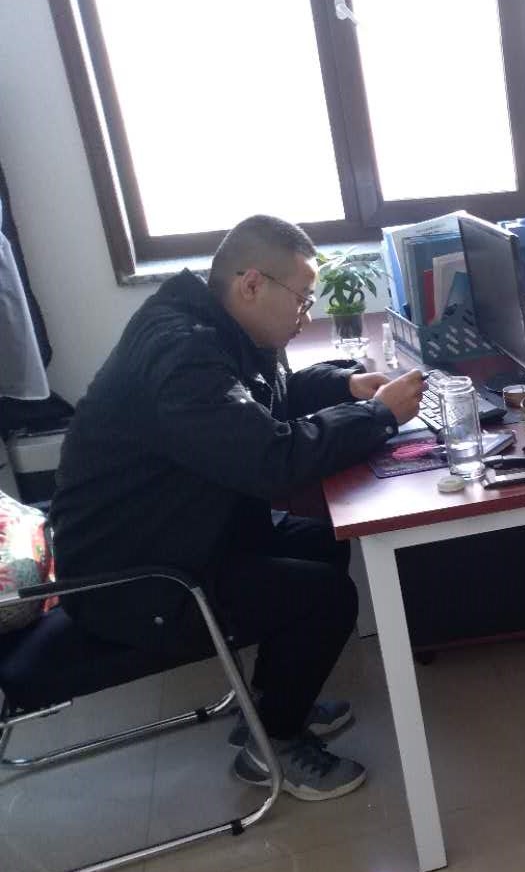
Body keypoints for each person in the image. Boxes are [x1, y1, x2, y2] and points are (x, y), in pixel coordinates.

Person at [49, 215, 424, 801]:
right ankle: (272, 747)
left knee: (320, 541)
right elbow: (271, 458)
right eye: (301, 299)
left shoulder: (214, 328)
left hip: (172, 533)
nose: (305, 315)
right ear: (252, 284)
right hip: (133, 579)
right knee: (326, 599)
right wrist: (378, 416)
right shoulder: (181, 354)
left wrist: (346, 387)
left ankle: (274, 707)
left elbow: (261, 406)